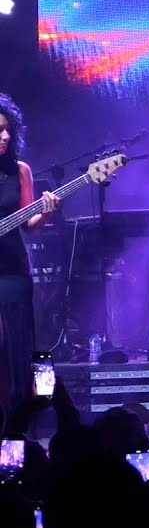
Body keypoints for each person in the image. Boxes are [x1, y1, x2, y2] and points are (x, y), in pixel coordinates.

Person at [0, 94, 60, 412]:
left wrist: (47, 211)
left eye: (8, 130)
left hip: (13, 270)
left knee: (15, 348)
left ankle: (18, 423)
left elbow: (30, 223)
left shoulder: (20, 171)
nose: (5, 136)